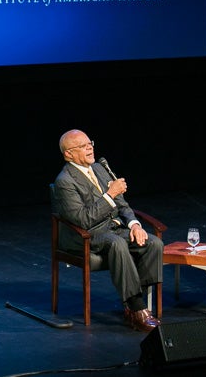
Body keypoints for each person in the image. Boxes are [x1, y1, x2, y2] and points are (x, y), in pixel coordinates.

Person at [53, 129, 164, 332]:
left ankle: (134, 305)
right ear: (68, 154)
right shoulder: (65, 181)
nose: (89, 148)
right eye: (82, 146)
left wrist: (135, 225)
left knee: (152, 242)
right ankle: (137, 308)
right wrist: (109, 194)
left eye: (90, 143)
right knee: (117, 243)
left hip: (112, 229)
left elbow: (122, 204)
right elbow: (83, 220)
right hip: (85, 236)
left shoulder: (99, 168)